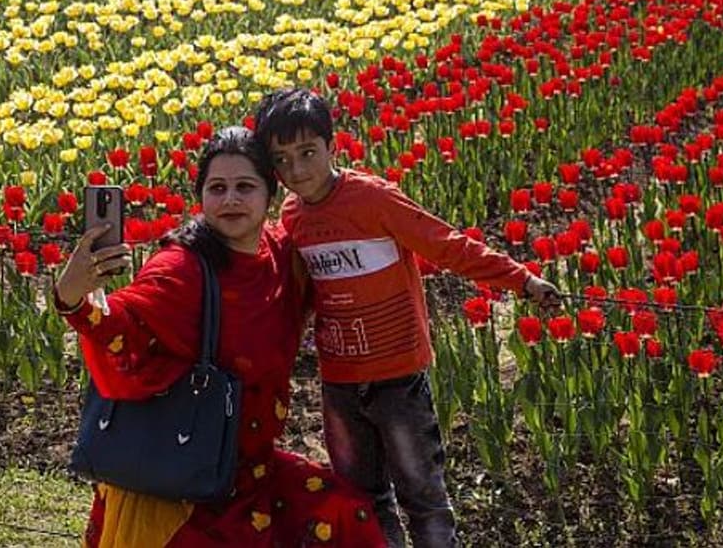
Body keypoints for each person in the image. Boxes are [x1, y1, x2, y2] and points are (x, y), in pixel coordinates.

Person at [254, 89, 562, 548]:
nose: (297, 171)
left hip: (397, 377)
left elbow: (446, 245)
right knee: (362, 498)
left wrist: (522, 281)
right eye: (282, 160)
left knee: (423, 497)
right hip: (339, 382)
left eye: (307, 153)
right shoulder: (293, 217)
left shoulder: (372, 199)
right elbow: (295, 297)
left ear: (333, 146)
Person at [55, 127, 388, 548]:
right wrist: (72, 298)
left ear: (270, 195)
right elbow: (123, 324)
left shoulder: (280, 254)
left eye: (245, 186)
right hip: (182, 473)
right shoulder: (181, 269)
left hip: (252, 470)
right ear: (201, 198)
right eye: (218, 188)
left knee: (344, 515)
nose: (230, 199)